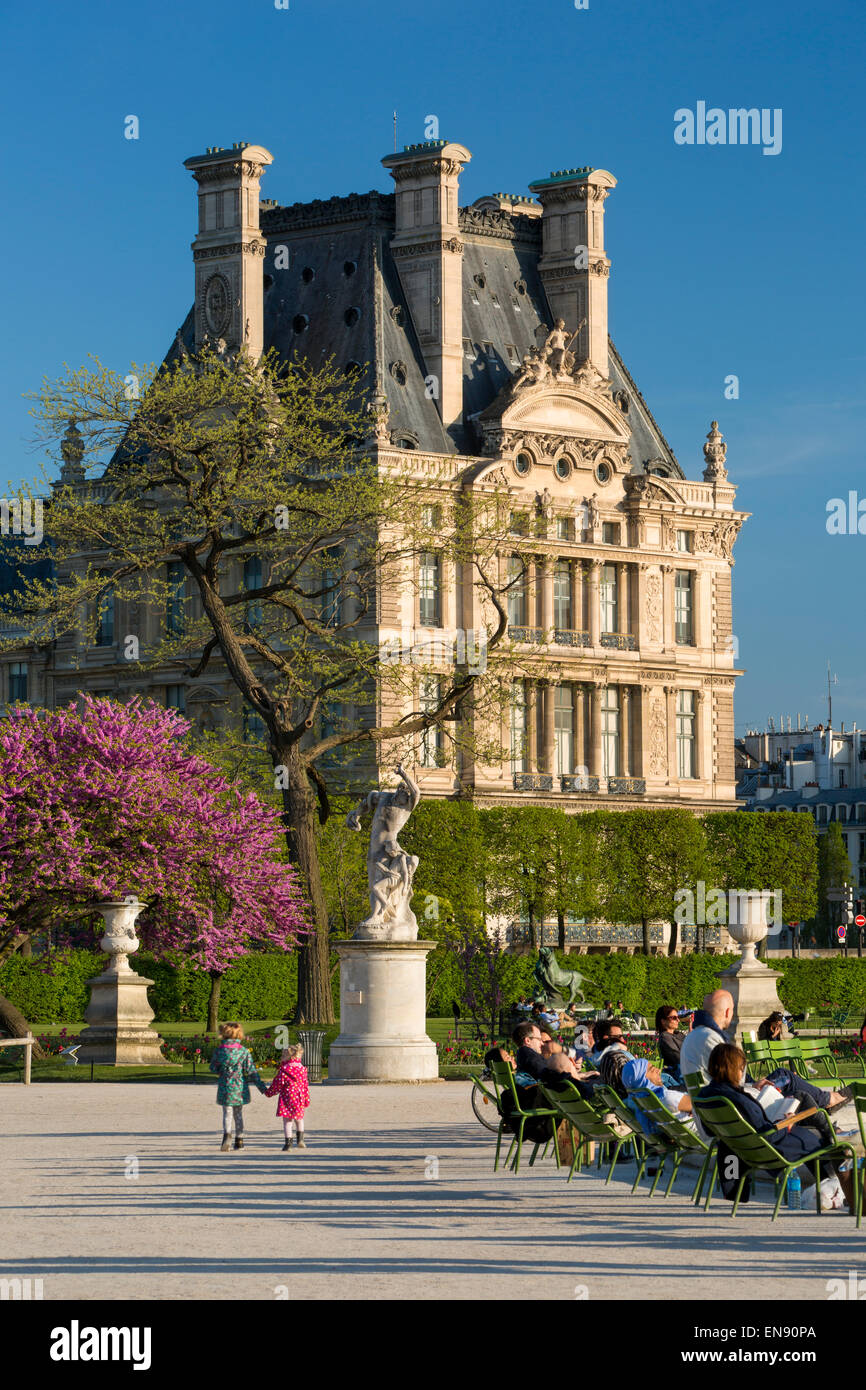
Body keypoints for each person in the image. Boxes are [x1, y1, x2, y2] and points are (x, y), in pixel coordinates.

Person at [699, 1043, 856, 1208]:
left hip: (741, 1149)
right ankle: (837, 1190)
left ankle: (831, 1185)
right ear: (732, 1069)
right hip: (770, 1148)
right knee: (821, 1140)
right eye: (741, 1068)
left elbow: (710, 1130)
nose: (742, 1073)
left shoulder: (706, 1095)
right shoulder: (737, 1099)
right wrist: (786, 1122)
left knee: (807, 1118)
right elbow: (769, 1135)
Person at [681, 989, 852, 1138]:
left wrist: (752, 1084)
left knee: (785, 1079)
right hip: (731, 1113)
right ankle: (831, 1117)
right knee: (796, 1092)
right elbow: (733, 1084)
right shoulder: (712, 1039)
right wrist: (752, 1086)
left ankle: (828, 1108)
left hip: (716, 1109)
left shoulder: (694, 1036)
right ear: (727, 1012)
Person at [209, 1022, 268, 1151]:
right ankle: (239, 1139)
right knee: (238, 1114)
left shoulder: (219, 1051)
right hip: (239, 1087)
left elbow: (212, 1067)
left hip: (225, 1085)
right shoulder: (243, 1051)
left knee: (227, 1113)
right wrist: (262, 1088)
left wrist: (221, 1070)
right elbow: (251, 1071)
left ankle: (227, 1135)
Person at [621, 1056, 694, 1136]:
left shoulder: (637, 1103)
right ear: (642, 1080)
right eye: (652, 1070)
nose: (659, 1070)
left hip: (680, 1139)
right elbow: (702, 1105)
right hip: (705, 1138)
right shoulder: (666, 1098)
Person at [265, 1042, 311, 1152]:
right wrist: (306, 1099)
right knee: (299, 1119)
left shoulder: (284, 1070)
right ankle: (300, 1140)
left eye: (283, 1056)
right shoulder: (302, 1069)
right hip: (299, 1097)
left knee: (287, 1121)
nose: (281, 1058)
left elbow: (277, 1084)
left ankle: (288, 1144)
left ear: (288, 1056)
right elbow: (305, 1086)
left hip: (287, 1097)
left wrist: (269, 1092)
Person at [656, 1005, 684, 1077]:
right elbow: (678, 1057)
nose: (678, 1020)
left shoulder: (679, 1034)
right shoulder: (665, 1037)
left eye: (678, 1017)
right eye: (674, 1018)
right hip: (679, 1075)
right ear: (663, 1021)